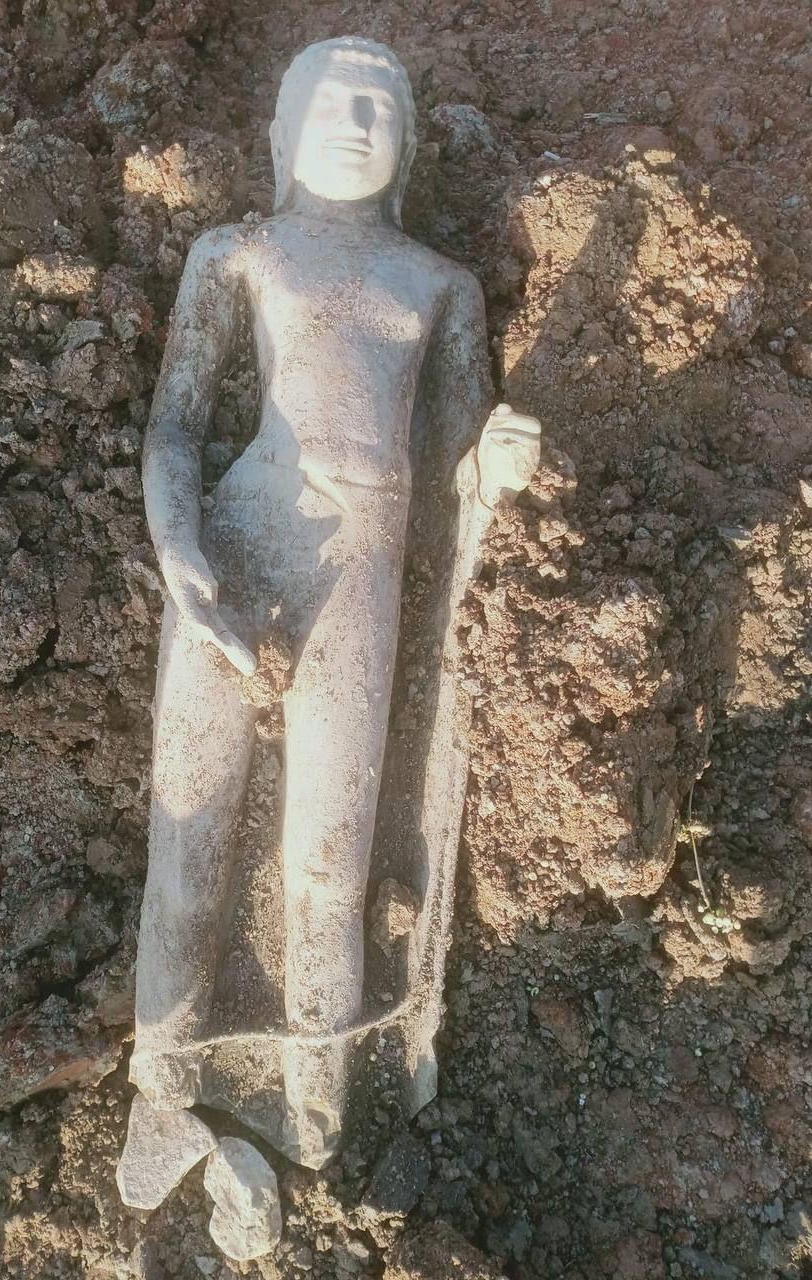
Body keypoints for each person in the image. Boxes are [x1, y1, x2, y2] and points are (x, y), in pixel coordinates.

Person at [129, 36, 540, 1169]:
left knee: (327, 860)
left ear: (407, 145)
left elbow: (454, 464)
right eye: (333, 102)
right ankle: (162, 1079)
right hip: (241, 542)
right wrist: (180, 551)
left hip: (362, 576)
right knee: (190, 824)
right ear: (285, 127)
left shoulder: (439, 285)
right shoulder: (241, 252)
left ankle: (316, 1097)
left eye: (379, 107)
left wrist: (494, 467)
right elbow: (175, 426)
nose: (357, 123)